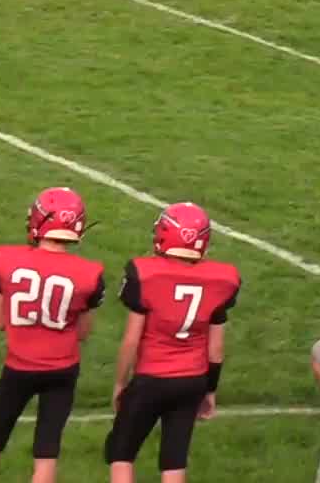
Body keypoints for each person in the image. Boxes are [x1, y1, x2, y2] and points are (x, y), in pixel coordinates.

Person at [0, 188, 106, 483]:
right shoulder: (89, 274)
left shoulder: (5, 259)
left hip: (18, 367)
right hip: (62, 369)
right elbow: (82, 333)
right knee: (46, 452)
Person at [103, 203, 241, 483]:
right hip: (192, 380)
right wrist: (210, 390)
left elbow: (131, 341)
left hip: (152, 378)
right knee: (174, 461)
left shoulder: (147, 274)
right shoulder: (220, 280)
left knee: (121, 454)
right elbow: (215, 351)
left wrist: (120, 382)